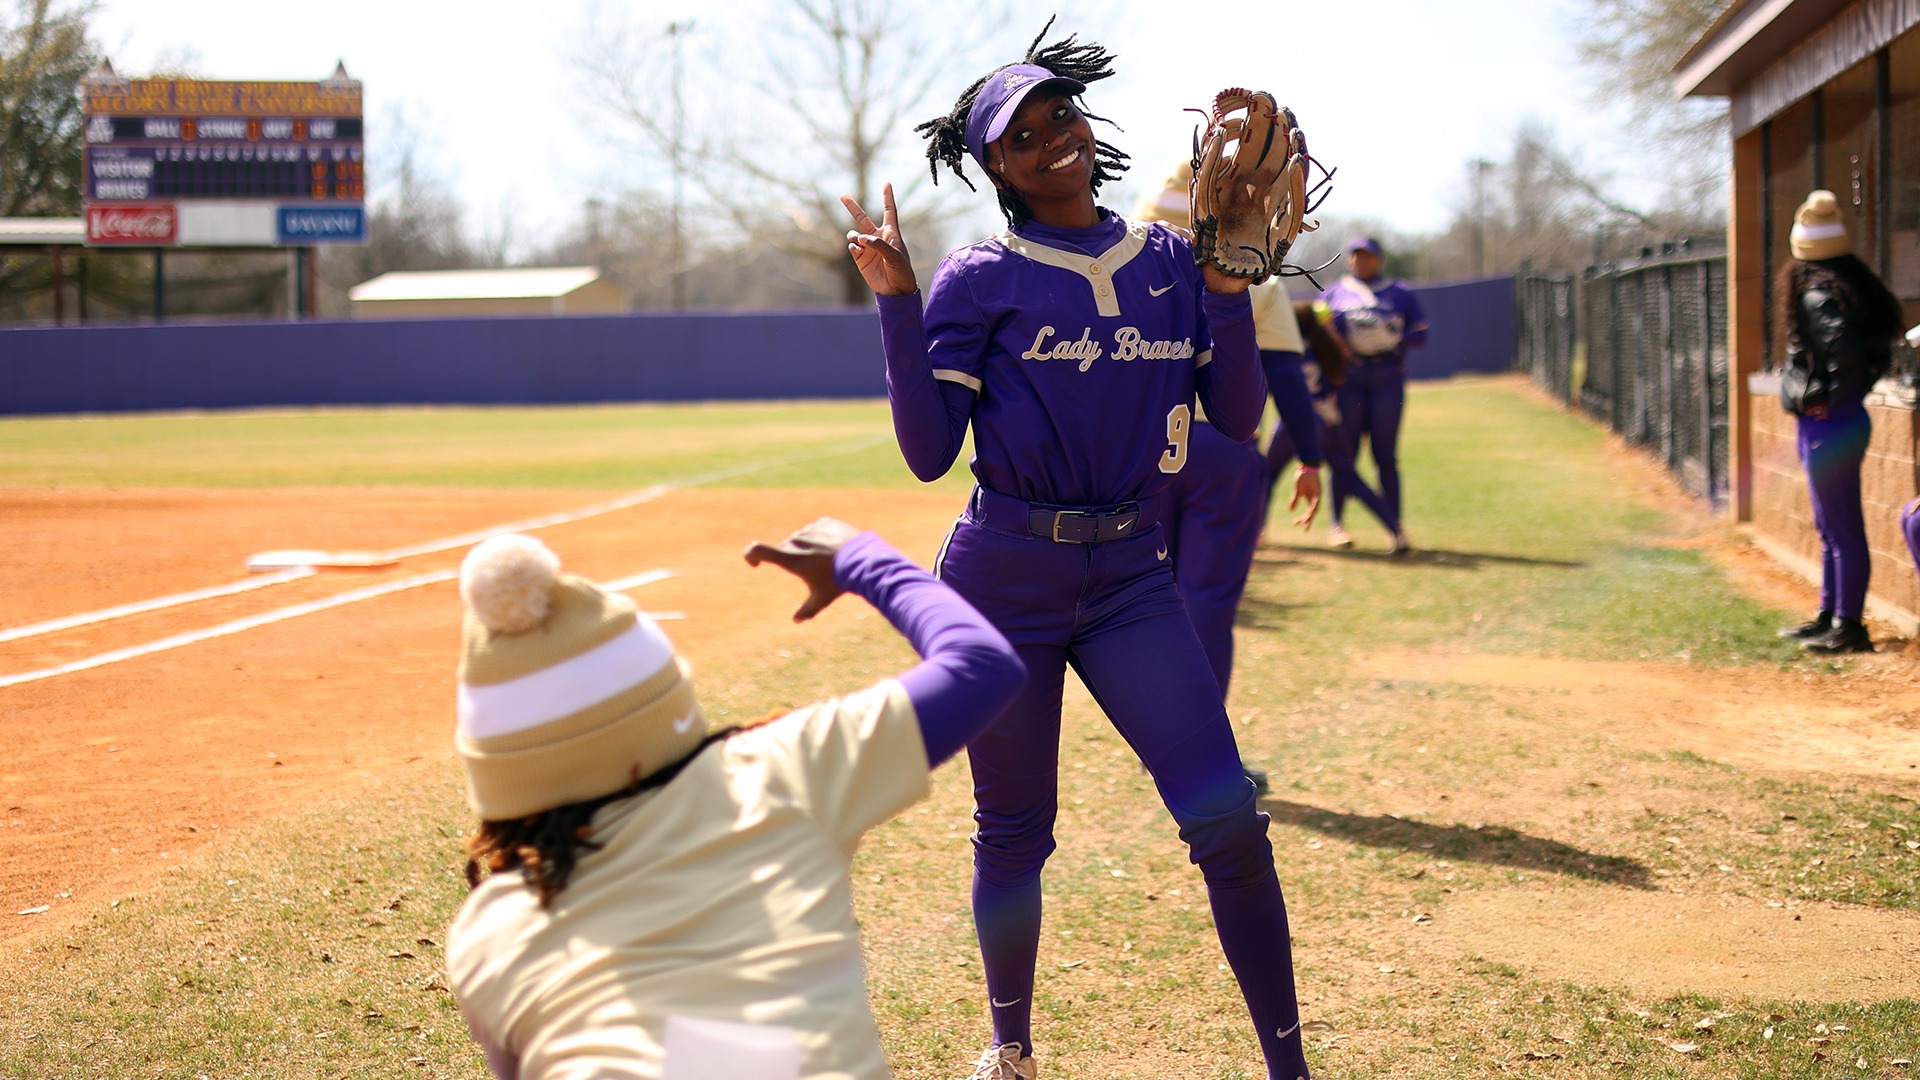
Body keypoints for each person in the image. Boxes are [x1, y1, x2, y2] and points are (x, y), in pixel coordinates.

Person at [839, 23, 1311, 1080]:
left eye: (1063, 115)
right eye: (1022, 136)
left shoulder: (1169, 263)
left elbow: (1235, 417)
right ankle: (1011, 1047)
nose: (1053, 139)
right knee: (1015, 829)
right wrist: (898, 306)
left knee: (1227, 817)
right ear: (994, 166)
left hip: (1132, 577)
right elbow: (927, 455)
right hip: (1005, 578)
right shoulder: (977, 276)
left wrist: (1229, 291)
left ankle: (1290, 1068)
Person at [444, 521, 1026, 1080]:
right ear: (665, 700)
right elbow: (982, 665)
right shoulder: (768, 771)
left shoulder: (487, 933)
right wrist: (859, 556)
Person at [1132, 162, 1322, 788]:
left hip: (1140, 455)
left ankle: (1162, 744)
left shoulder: (1123, 263)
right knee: (1206, 605)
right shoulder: (1250, 272)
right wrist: (1313, 459)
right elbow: (1288, 377)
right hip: (1221, 450)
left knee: (1145, 605)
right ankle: (1203, 757)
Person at [1773, 190, 1903, 654]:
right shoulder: (1849, 286)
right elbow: (1873, 353)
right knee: (1831, 525)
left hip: (1830, 423)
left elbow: (1842, 350)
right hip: (1842, 418)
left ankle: (1849, 625)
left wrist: (1827, 397)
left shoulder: (1814, 293)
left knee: (1840, 527)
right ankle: (1830, 615)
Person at [1263, 298, 1408, 550]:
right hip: (1328, 421)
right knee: (1350, 477)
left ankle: (1255, 532)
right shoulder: (1327, 348)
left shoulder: (1289, 350)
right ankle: (1396, 530)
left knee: (1264, 476)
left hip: (1294, 423)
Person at [1319, 235, 1425, 552]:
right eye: (1356, 255)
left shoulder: (1399, 293)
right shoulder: (1334, 293)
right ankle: (1337, 524)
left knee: (1385, 455)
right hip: (1349, 380)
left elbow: (1422, 335)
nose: (1361, 261)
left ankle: (1395, 527)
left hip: (1387, 378)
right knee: (1343, 456)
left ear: (1379, 259)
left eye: (1368, 255)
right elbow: (1318, 334)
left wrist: (1396, 336)